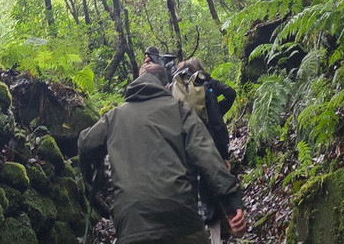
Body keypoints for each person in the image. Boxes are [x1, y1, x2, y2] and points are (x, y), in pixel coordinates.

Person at [78, 60, 248, 244]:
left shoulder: (114, 116)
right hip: (180, 215)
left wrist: (92, 176)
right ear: (167, 86)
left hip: (132, 220)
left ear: (136, 82)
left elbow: (85, 143)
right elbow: (208, 156)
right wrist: (232, 202)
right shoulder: (180, 110)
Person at [174, 58, 238, 244]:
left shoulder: (176, 90)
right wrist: (224, 154)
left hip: (186, 147)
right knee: (210, 189)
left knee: (192, 190)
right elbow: (230, 94)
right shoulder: (207, 85)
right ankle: (216, 236)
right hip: (210, 145)